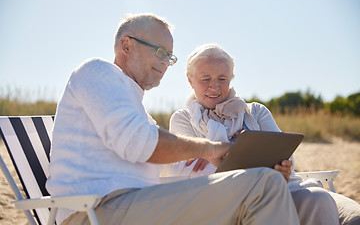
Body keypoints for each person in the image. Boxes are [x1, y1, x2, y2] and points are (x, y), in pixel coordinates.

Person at [45, 13, 301, 225]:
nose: (166, 63)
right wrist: (216, 148)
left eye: (170, 56)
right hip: (99, 211)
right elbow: (142, 143)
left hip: (138, 206)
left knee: (261, 187)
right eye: (159, 51)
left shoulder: (135, 106)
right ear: (126, 46)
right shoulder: (97, 71)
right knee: (263, 185)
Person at [163, 43, 360, 225]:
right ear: (190, 80)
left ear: (231, 78)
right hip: (222, 201)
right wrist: (247, 158)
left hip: (275, 188)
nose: (214, 86)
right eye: (205, 79)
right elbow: (193, 174)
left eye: (222, 79)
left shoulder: (255, 111)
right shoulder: (183, 119)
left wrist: (214, 157)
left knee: (319, 198)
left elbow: (285, 157)